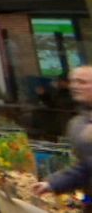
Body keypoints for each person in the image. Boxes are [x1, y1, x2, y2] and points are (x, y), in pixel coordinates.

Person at [34, 65, 92, 201]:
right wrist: (52, 184)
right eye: (73, 81)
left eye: (82, 82)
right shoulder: (78, 123)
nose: (75, 86)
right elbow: (85, 167)